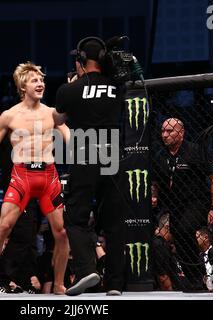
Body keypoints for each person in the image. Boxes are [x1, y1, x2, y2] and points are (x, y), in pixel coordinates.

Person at [0, 62, 70, 296]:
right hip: (22, 177)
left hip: (48, 177)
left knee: (62, 232)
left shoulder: (52, 113)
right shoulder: (9, 115)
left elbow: (69, 138)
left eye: (42, 80)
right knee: (4, 226)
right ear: (22, 86)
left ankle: (58, 284)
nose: (41, 83)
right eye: (35, 80)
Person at [55, 36, 125, 296]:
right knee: (114, 219)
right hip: (111, 149)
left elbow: (57, 117)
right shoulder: (117, 85)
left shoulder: (70, 89)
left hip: (85, 148)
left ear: (81, 61)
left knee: (75, 216)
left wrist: (73, 86)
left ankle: (86, 270)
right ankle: (116, 284)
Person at [152, 118, 213, 291]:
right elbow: (155, 182)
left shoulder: (195, 151)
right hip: (174, 205)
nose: (165, 135)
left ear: (181, 133)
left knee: (185, 229)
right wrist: (153, 195)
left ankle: (200, 276)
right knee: (179, 237)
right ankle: (195, 279)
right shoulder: (161, 156)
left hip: (197, 202)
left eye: (170, 131)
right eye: (163, 131)